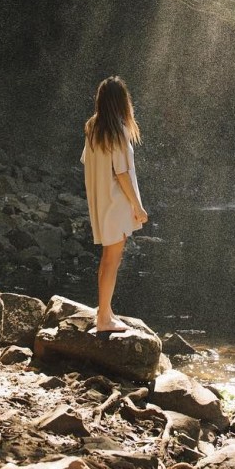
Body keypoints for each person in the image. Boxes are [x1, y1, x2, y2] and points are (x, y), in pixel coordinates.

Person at [81, 75, 148, 334]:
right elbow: (121, 173)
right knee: (112, 260)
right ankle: (104, 319)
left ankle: (104, 311)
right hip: (116, 203)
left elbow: (90, 163)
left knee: (108, 259)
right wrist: (137, 207)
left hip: (101, 202)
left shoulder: (92, 128)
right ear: (122, 102)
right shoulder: (118, 131)